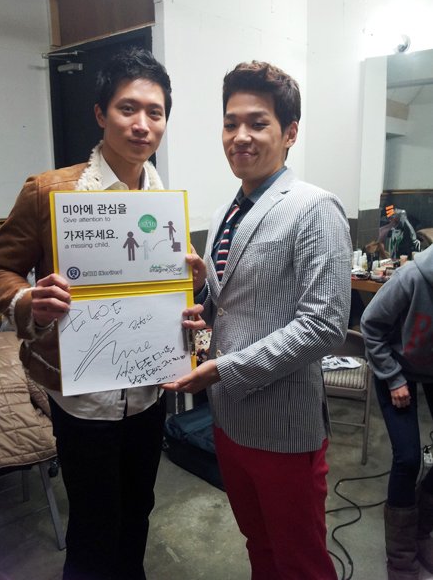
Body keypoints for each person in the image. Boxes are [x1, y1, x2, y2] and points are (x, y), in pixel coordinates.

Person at [0, 47, 203, 580]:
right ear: (101, 114)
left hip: (149, 392)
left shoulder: (167, 203)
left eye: (155, 112)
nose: (142, 124)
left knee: (139, 508)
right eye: (128, 108)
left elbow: (174, 292)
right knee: (92, 524)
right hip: (83, 398)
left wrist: (189, 297)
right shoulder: (49, 190)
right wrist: (28, 301)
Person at [163, 61, 352, 579]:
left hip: (283, 425)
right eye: (231, 123)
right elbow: (237, 301)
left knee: (301, 560)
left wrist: (223, 369)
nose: (240, 136)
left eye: (257, 123)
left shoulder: (315, 208)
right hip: (230, 420)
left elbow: (324, 324)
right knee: (259, 546)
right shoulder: (229, 210)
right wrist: (201, 294)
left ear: (290, 133)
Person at [361, 245, 433, 580]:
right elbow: (370, 326)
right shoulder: (411, 277)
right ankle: (401, 560)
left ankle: (421, 532)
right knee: (408, 458)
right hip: (395, 367)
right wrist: (393, 378)